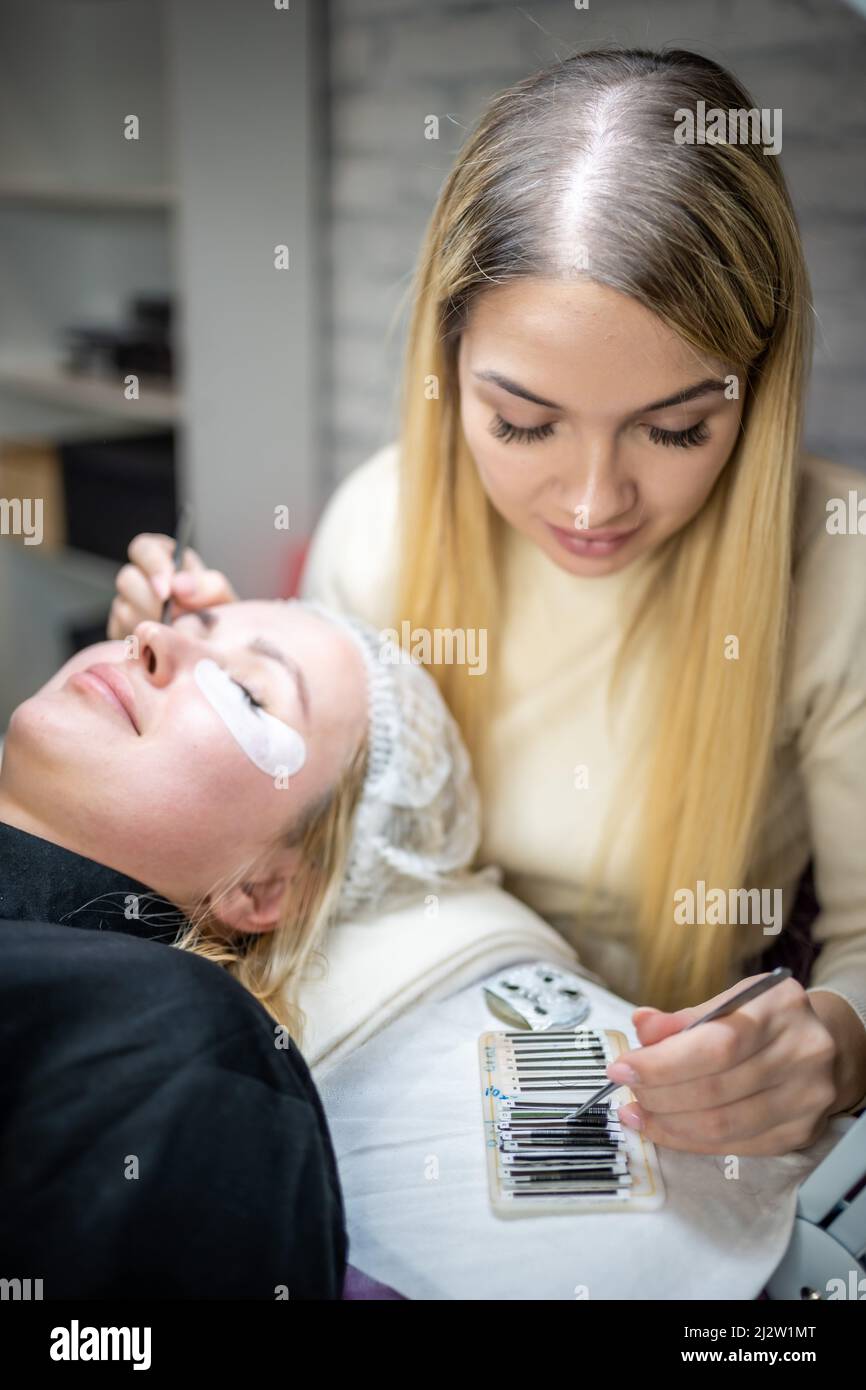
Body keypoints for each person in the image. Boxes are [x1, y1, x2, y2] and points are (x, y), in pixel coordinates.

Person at [109, 47, 866, 1154]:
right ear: (445, 363)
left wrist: (829, 1049)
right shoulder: (380, 522)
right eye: (522, 422)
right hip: (400, 1093)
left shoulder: (838, 567)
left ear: (757, 392)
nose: (594, 500)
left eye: (674, 429)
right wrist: (214, 709)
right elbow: (316, 876)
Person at [0, 598, 480, 1296]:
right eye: (183, 621)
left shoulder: (177, 1035)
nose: (151, 637)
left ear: (264, 889)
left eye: (251, 693)